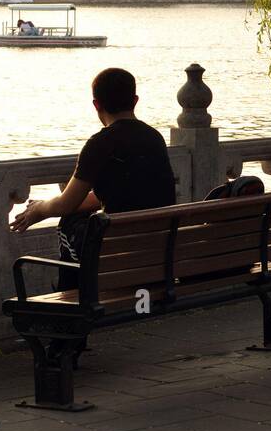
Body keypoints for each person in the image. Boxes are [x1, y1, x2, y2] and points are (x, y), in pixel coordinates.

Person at [10, 68, 176, 288]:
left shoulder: (101, 143)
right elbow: (114, 193)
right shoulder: (154, 137)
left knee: (68, 224)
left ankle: (75, 300)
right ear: (135, 101)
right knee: (84, 221)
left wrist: (40, 208)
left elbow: (66, 204)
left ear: (96, 105)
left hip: (118, 251)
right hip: (157, 246)